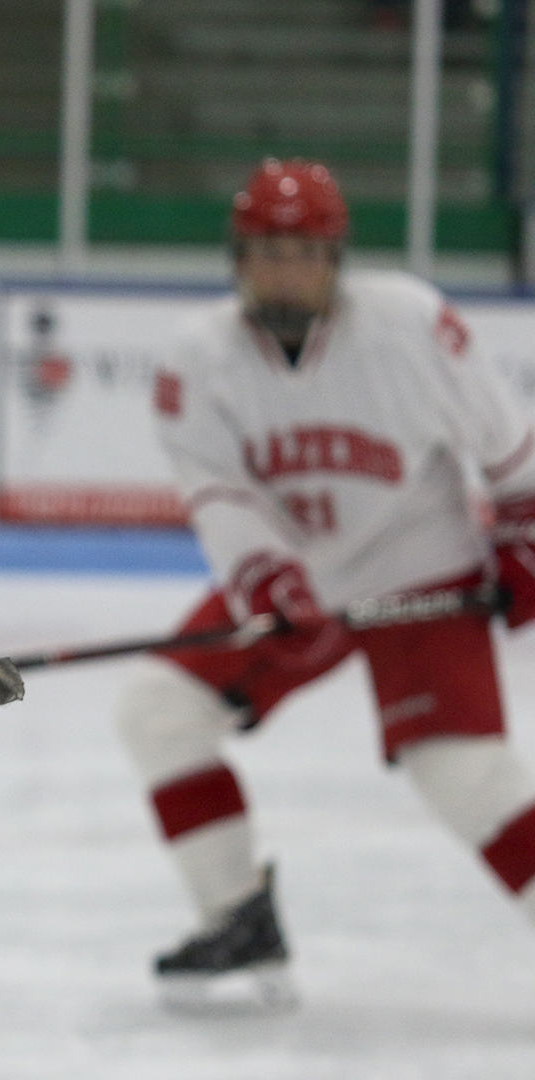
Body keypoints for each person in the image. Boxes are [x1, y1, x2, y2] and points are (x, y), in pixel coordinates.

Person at [116, 157, 535, 1009]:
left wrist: (525, 538)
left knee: (465, 777)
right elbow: (218, 494)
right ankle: (238, 916)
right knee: (160, 711)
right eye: (268, 250)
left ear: (338, 259)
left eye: (305, 252)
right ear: (238, 258)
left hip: (421, 571)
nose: (286, 269)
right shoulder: (195, 361)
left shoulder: (411, 325)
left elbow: (509, 447)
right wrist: (265, 579)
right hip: (298, 583)